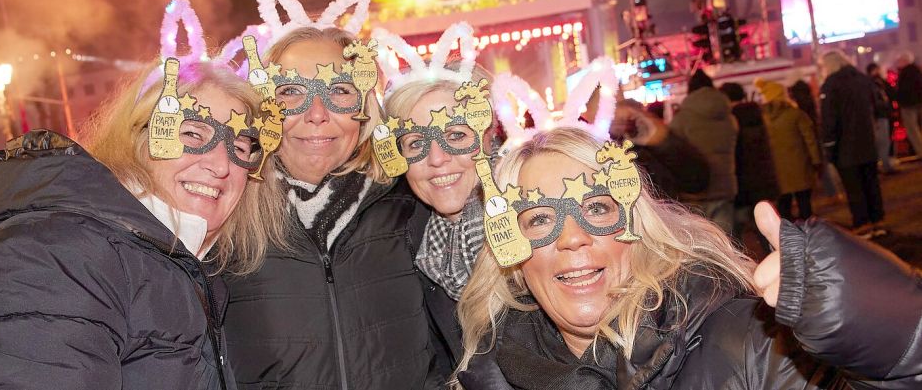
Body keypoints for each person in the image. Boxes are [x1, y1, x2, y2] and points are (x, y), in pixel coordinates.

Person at [455, 127, 922, 389]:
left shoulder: (744, 343)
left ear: (638, 227)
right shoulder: (492, 373)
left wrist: (889, 337)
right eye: (539, 219)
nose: (573, 237)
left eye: (597, 209)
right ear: (510, 251)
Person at [0, 57, 284, 389]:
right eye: (192, 134)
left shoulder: (182, 268)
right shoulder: (53, 255)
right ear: (133, 138)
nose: (221, 165)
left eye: (239, 145)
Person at [223, 26, 433, 390]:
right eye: (290, 92)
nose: (317, 113)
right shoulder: (226, 214)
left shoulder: (412, 206)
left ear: (364, 106)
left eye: (339, 90)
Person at [383, 62, 493, 381]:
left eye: (455, 135)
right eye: (416, 142)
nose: (436, 158)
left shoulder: (534, 223)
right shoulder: (412, 247)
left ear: (488, 136)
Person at [819, 50, 886, 238]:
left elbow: (829, 120)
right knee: (872, 183)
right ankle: (878, 221)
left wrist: (829, 147)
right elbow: (878, 105)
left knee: (854, 187)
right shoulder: (863, 79)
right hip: (867, 143)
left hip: (845, 148)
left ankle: (863, 224)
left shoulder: (830, 86)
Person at [669, 69, 738, 232]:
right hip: (725, 185)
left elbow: (672, 151)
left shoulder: (682, 118)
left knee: (701, 242)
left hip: (695, 191)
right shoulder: (729, 117)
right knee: (726, 241)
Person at [608, 100, 709, 201]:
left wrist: (662, 141)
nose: (622, 125)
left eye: (629, 119)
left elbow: (697, 181)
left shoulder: (650, 148)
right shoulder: (603, 153)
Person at [755, 79, 820, 221]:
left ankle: (787, 238)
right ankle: (809, 236)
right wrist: (816, 160)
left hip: (777, 171)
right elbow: (810, 140)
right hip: (799, 167)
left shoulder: (763, 118)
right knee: (805, 205)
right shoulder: (796, 114)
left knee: (783, 207)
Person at [718, 82, 779, 234]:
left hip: (743, 183)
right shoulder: (757, 115)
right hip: (764, 178)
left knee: (737, 232)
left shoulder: (729, 121)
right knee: (767, 229)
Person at [867, 62, 898, 173]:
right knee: (883, 142)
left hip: (883, 114)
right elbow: (879, 100)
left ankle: (885, 164)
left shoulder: (877, 82)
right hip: (880, 115)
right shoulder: (874, 84)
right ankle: (885, 165)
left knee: (885, 141)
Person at [894, 51, 922, 157]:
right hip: (918, 102)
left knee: (912, 130)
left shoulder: (904, 73)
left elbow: (903, 91)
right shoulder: (917, 70)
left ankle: (920, 151)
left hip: (908, 105)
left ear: (904, 61)